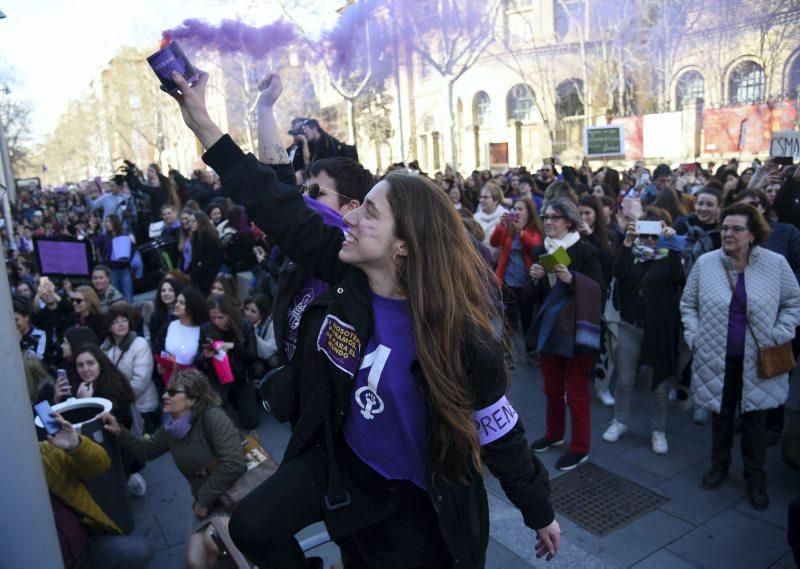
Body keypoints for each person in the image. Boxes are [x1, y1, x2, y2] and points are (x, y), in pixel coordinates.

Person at [164, 69, 560, 568]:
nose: (348, 218)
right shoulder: (345, 273)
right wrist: (202, 122)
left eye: (369, 214)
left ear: (404, 246)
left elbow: (502, 435)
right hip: (340, 464)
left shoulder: (461, 337)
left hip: (417, 504)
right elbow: (274, 201)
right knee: (250, 526)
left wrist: (539, 511)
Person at [680, 203, 800, 511]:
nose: (728, 233)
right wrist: (694, 336)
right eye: (725, 227)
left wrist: (780, 333)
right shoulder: (706, 263)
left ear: (753, 233)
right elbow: (688, 305)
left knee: (755, 423)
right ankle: (718, 466)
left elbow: (793, 302)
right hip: (716, 357)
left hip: (759, 359)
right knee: (720, 417)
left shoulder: (775, 264)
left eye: (736, 228)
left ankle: (755, 478)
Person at [99, 368, 246, 568]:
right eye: (166, 391)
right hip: (209, 505)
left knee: (213, 541)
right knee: (195, 561)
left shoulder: (212, 417)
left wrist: (203, 499)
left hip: (236, 498)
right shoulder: (172, 428)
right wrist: (119, 432)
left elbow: (235, 463)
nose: (164, 396)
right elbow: (145, 451)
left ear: (192, 400)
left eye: (172, 392)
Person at [527, 198, 604, 471]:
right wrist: (535, 278)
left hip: (576, 332)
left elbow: (599, 289)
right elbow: (532, 298)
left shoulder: (585, 251)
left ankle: (580, 447)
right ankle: (554, 434)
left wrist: (572, 280)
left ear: (569, 222)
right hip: (550, 330)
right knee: (551, 388)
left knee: (577, 392)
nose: (548, 222)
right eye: (546, 217)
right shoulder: (540, 250)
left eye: (555, 218)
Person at [602, 218, 684, 454]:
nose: (649, 240)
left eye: (654, 236)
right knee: (625, 380)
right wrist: (627, 243)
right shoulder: (631, 253)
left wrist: (673, 243)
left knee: (658, 384)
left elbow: (677, 277)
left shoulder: (669, 257)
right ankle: (619, 422)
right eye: (644, 235)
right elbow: (617, 273)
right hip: (629, 327)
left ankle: (659, 430)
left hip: (657, 331)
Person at [40, 414, 153, 568]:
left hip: (86, 545)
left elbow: (101, 464)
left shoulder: (43, 453)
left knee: (139, 551)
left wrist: (76, 446)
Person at [198, 295, 260, 430]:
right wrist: (205, 356)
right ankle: (229, 403)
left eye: (220, 317)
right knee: (219, 419)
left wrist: (233, 346)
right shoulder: (206, 329)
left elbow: (253, 356)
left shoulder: (244, 325)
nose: (217, 322)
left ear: (229, 314)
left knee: (250, 423)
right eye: (213, 318)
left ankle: (239, 401)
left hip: (242, 375)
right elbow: (198, 360)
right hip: (219, 376)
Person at [489, 198, 543, 343]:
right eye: (514, 209)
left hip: (526, 281)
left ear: (529, 213)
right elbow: (493, 242)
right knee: (508, 317)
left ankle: (530, 349)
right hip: (508, 279)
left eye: (520, 209)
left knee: (527, 317)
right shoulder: (508, 229)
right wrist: (501, 225)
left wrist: (522, 233)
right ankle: (507, 351)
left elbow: (536, 247)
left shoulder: (534, 230)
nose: (516, 212)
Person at [100, 303, 159, 434]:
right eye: (115, 322)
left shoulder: (139, 344)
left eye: (124, 320)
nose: (121, 324)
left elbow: (141, 381)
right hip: (120, 407)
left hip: (142, 406)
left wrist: (117, 399)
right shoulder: (105, 348)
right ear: (109, 327)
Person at [154, 287, 208, 386]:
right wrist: (160, 366)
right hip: (169, 380)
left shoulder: (203, 331)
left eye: (182, 303)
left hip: (193, 383)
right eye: (177, 301)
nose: (177, 305)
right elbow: (157, 350)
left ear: (192, 306)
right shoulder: (167, 327)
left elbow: (204, 362)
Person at [94, 216, 136, 303]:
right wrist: (93, 230)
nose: (107, 223)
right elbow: (93, 243)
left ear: (115, 222)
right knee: (114, 299)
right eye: (106, 222)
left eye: (109, 221)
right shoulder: (104, 237)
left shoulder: (125, 235)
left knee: (128, 297)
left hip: (124, 269)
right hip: (111, 270)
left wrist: (132, 241)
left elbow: (132, 249)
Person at [187, 211, 223, 295]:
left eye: (193, 221)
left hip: (209, 277)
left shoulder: (208, 237)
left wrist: (192, 274)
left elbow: (210, 261)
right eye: (190, 221)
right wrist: (185, 272)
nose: (190, 224)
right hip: (200, 275)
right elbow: (194, 260)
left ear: (201, 222)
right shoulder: (196, 237)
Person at [243, 294, 279, 371]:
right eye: (246, 309)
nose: (248, 313)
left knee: (273, 361)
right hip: (244, 354)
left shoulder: (270, 325)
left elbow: (267, 353)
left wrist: (253, 333)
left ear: (262, 314)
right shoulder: (242, 320)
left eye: (253, 311)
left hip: (262, 357)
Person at [475, 182, 508, 260]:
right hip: (479, 261)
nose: (481, 200)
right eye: (481, 197)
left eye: (486, 197)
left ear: (496, 200)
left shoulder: (505, 217)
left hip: (499, 262)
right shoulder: (475, 217)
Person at [150, 276, 185, 343]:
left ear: (177, 292)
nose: (166, 293)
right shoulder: (156, 316)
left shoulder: (185, 312)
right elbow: (155, 342)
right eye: (163, 291)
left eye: (171, 290)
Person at [15, 296, 48, 361]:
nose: (14, 324)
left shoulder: (40, 335)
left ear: (26, 317)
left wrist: (20, 343)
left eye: (16, 320)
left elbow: (38, 361)